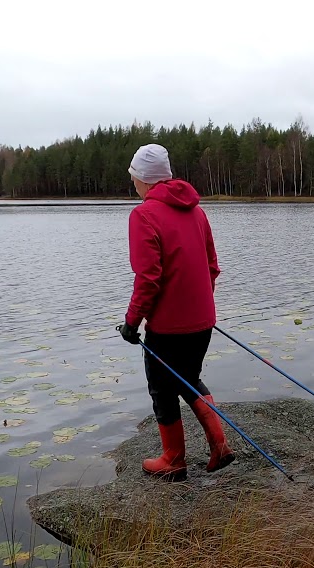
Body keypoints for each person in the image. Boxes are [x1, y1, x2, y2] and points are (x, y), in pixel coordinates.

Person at [116, 143, 234, 479]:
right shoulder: (196, 210)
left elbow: (148, 278)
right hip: (203, 321)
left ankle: (174, 459)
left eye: (134, 176)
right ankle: (220, 445)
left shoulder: (143, 215)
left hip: (168, 327)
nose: (133, 183)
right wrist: (200, 304)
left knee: (162, 388)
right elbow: (212, 267)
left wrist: (131, 322)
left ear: (146, 180)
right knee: (188, 378)